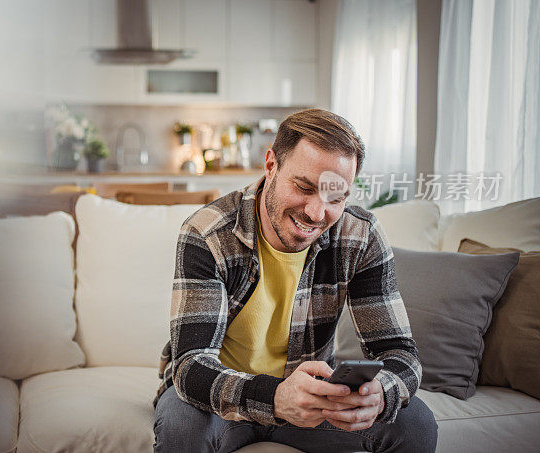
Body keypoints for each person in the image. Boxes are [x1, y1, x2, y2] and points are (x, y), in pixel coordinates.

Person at [153, 109, 437, 452]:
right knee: (181, 426)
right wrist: (274, 397)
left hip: (312, 402)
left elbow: (400, 353)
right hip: (219, 401)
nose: (317, 214)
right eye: (304, 187)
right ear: (271, 165)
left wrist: (381, 393)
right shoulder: (208, 233)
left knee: (416, 424)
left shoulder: (360, 236)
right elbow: (191, 366)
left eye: (336, 197)